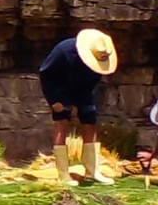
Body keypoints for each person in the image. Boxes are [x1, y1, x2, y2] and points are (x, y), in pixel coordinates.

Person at [38, 29, 117, 186]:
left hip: (83, 90)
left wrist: (81, 103)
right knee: (62, 124)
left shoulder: (101, 57)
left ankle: (92, 170)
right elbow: (45, 74)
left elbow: (95, 78)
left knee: (90, 122)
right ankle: (63, 174)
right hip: (60, 89)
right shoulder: (64, 51)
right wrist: (54, 100)